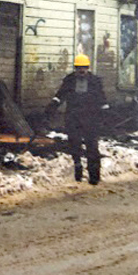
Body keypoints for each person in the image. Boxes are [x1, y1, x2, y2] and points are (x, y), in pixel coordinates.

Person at [46, 54, 109, 185]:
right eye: (79, 68)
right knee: (74, 145)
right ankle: (77, 172)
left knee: (92, 147)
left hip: (90, 119)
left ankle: (94, 175)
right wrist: (53, 106)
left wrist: (105, 113)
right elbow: (61, 94)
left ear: (88, 68)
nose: (82, 70)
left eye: (84, 68)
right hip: (73, 118)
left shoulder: (94, 81)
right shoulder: (69, 80)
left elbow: (101, 97)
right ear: (75, 68)